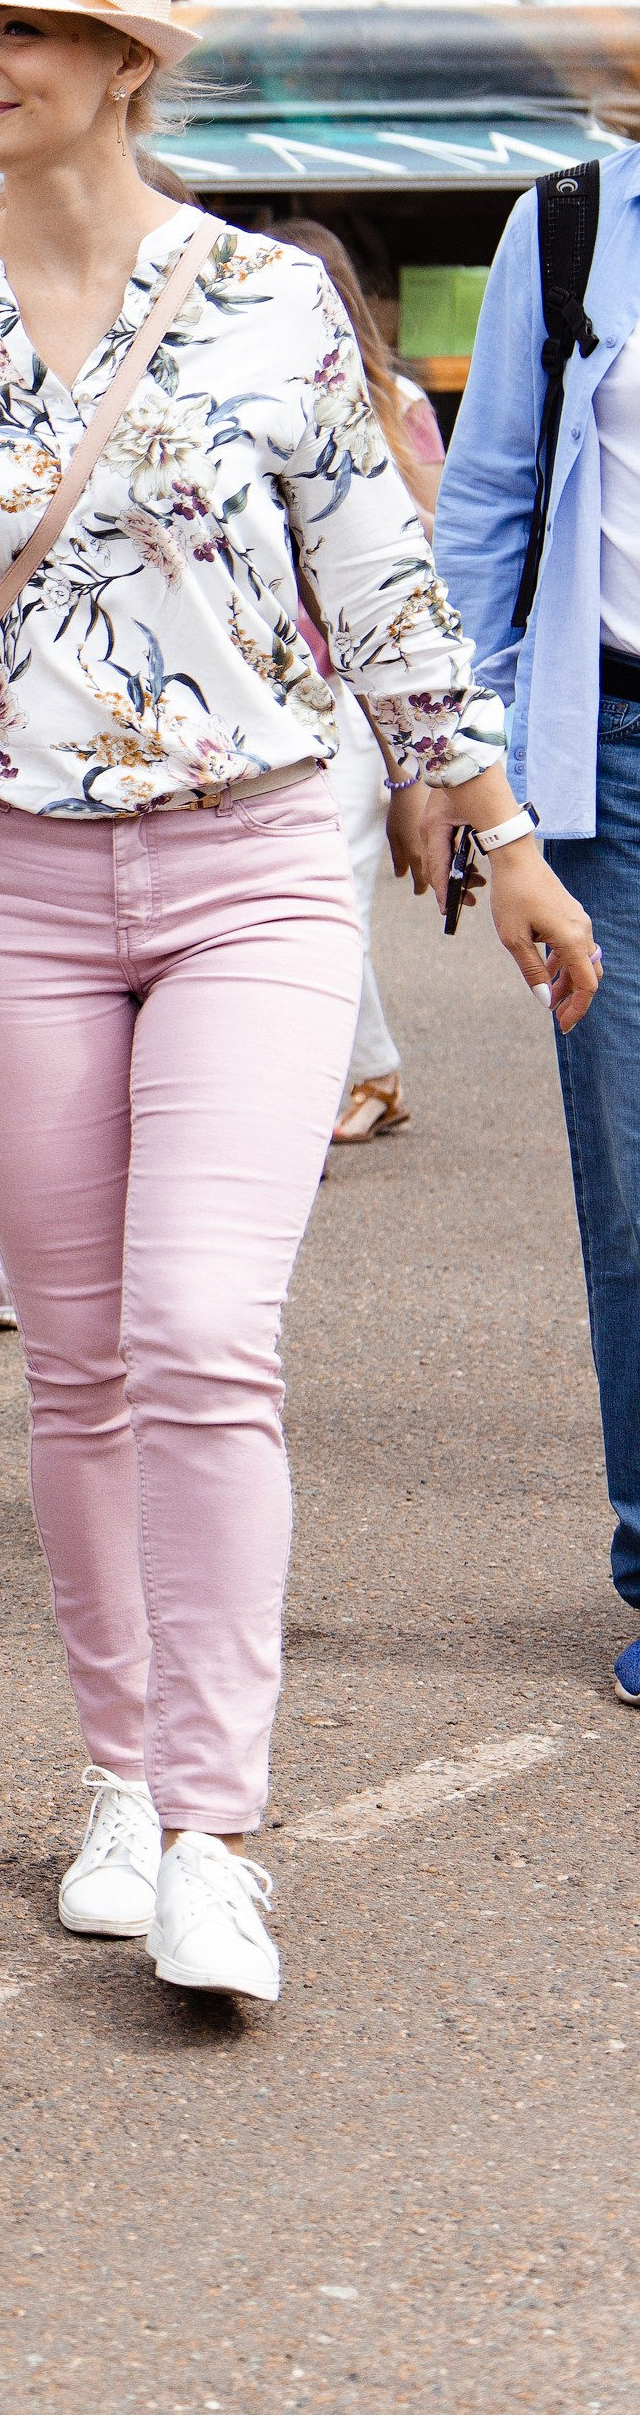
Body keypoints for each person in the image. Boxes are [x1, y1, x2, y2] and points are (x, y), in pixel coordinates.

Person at [0, 0, 596, 2005]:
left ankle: (214, 1824)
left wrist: (495, 825)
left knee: (198, 1337)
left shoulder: (262, 302)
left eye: (18, 34)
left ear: (126, 67)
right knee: (71, 1361)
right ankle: (120, 1783)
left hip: (249, 867)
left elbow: (380, 586)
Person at [433, 138, 640, 1702]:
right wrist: (461, 769)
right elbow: (489, 498)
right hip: (608, 765)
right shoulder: (568, 225)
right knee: (634, 1180)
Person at [269, 220, 448, 1145]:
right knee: (314, 891)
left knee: (328, 894)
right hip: (277, 690)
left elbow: (431, 550)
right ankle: (371, 1072)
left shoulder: (395, 402)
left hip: (353, 691)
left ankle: (323, 1086)